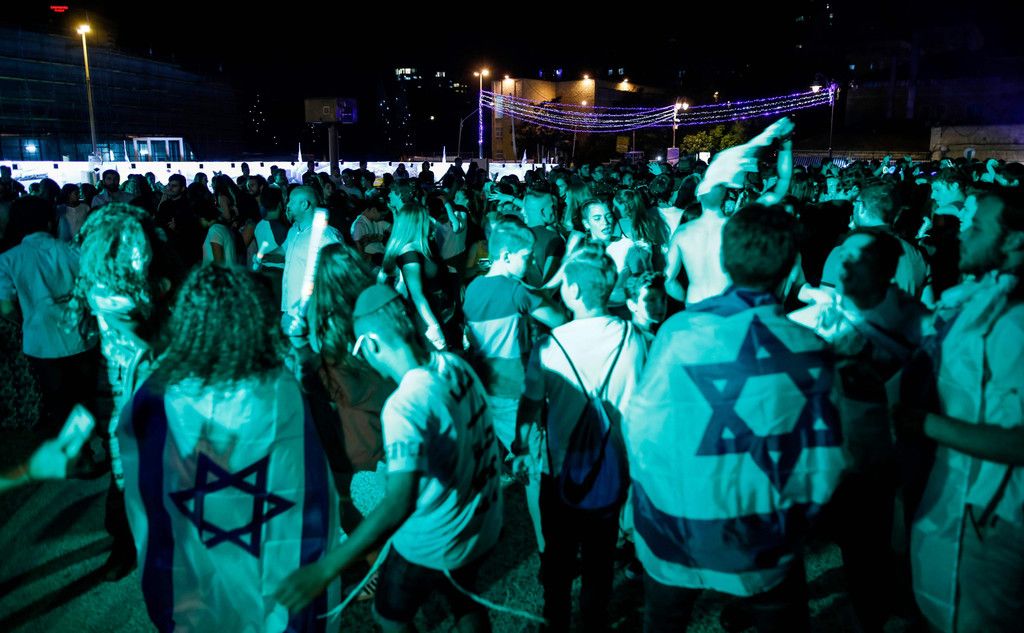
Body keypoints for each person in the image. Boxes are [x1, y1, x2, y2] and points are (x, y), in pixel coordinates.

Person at [625, 205, 847, 633]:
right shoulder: (811, 349)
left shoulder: (680, 334)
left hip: (680, 526)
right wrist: (796, 517)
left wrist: (656, 504)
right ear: (791, 266)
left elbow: (642, 430)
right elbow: (826, 452)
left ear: (724, 260)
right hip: (766, 534)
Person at [118, 265, 338, 631]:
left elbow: (146, 487)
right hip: (264, 545)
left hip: (197, 552)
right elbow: (304, 486)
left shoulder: (157, 396)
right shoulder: (277, 389)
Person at [275, 284, 502, 633]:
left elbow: (398, 504)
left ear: (371, 345)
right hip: (480, 522)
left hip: (435, 541)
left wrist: (324, 569)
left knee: (389, 617)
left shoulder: (405, 405)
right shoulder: (455, 365)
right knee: (464, 602)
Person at [902, 187, 1024, 633]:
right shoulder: (985, 295)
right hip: (958, 496)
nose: (963, 235)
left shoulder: (1018, 322)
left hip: (999, 518)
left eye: (977, 227)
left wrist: (921, 422)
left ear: (1014, 239)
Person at [516, 246, 647, 632]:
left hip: (559, 469)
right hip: (613, 465)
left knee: (558, 555)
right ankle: (594, 619)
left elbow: (531, 402)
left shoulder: (550, 346)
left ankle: (555, 619)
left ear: (572, 290)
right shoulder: (632, 337)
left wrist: (520, 445)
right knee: (600, 556)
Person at [0, 196, 98, 436]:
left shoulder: (8, 259)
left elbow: (6, 308)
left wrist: (28, 321)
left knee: (56, 401)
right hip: (80, 337)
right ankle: (90, 444)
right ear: (49, 222)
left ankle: (72, 449)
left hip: (40, 342)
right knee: (84, 397)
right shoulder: (73, 251)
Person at [820, 180, 927, 298]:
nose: (853, 207)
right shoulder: (916, 254)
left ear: (861, 207)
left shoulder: (844, 253)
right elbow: (926, 301)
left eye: (855, 203)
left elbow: (825, 303)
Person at [379, 203, 455, 350]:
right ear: (417, 223)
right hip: (427, 315)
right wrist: (434, 327)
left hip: (439, 309)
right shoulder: (409, 255)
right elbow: (417, 296)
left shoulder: (420, 246)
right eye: (426, 219)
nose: (429, 222)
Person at [280, 186, 343, 318]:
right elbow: (283, 250)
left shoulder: (325, 235)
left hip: (312, 313)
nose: (288, 205)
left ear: (304, 205)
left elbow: (339, 274)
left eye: (291, 201)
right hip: (290, 309)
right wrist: (264, 256)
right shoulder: (294, 231)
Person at [350, 201, 391, 266]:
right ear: (374, 210)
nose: (383, 218)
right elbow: (359, 251)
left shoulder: (377, 221)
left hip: (383, 257)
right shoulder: (358, 225)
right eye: (382, 215)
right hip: (372, 263)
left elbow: (393, 229)